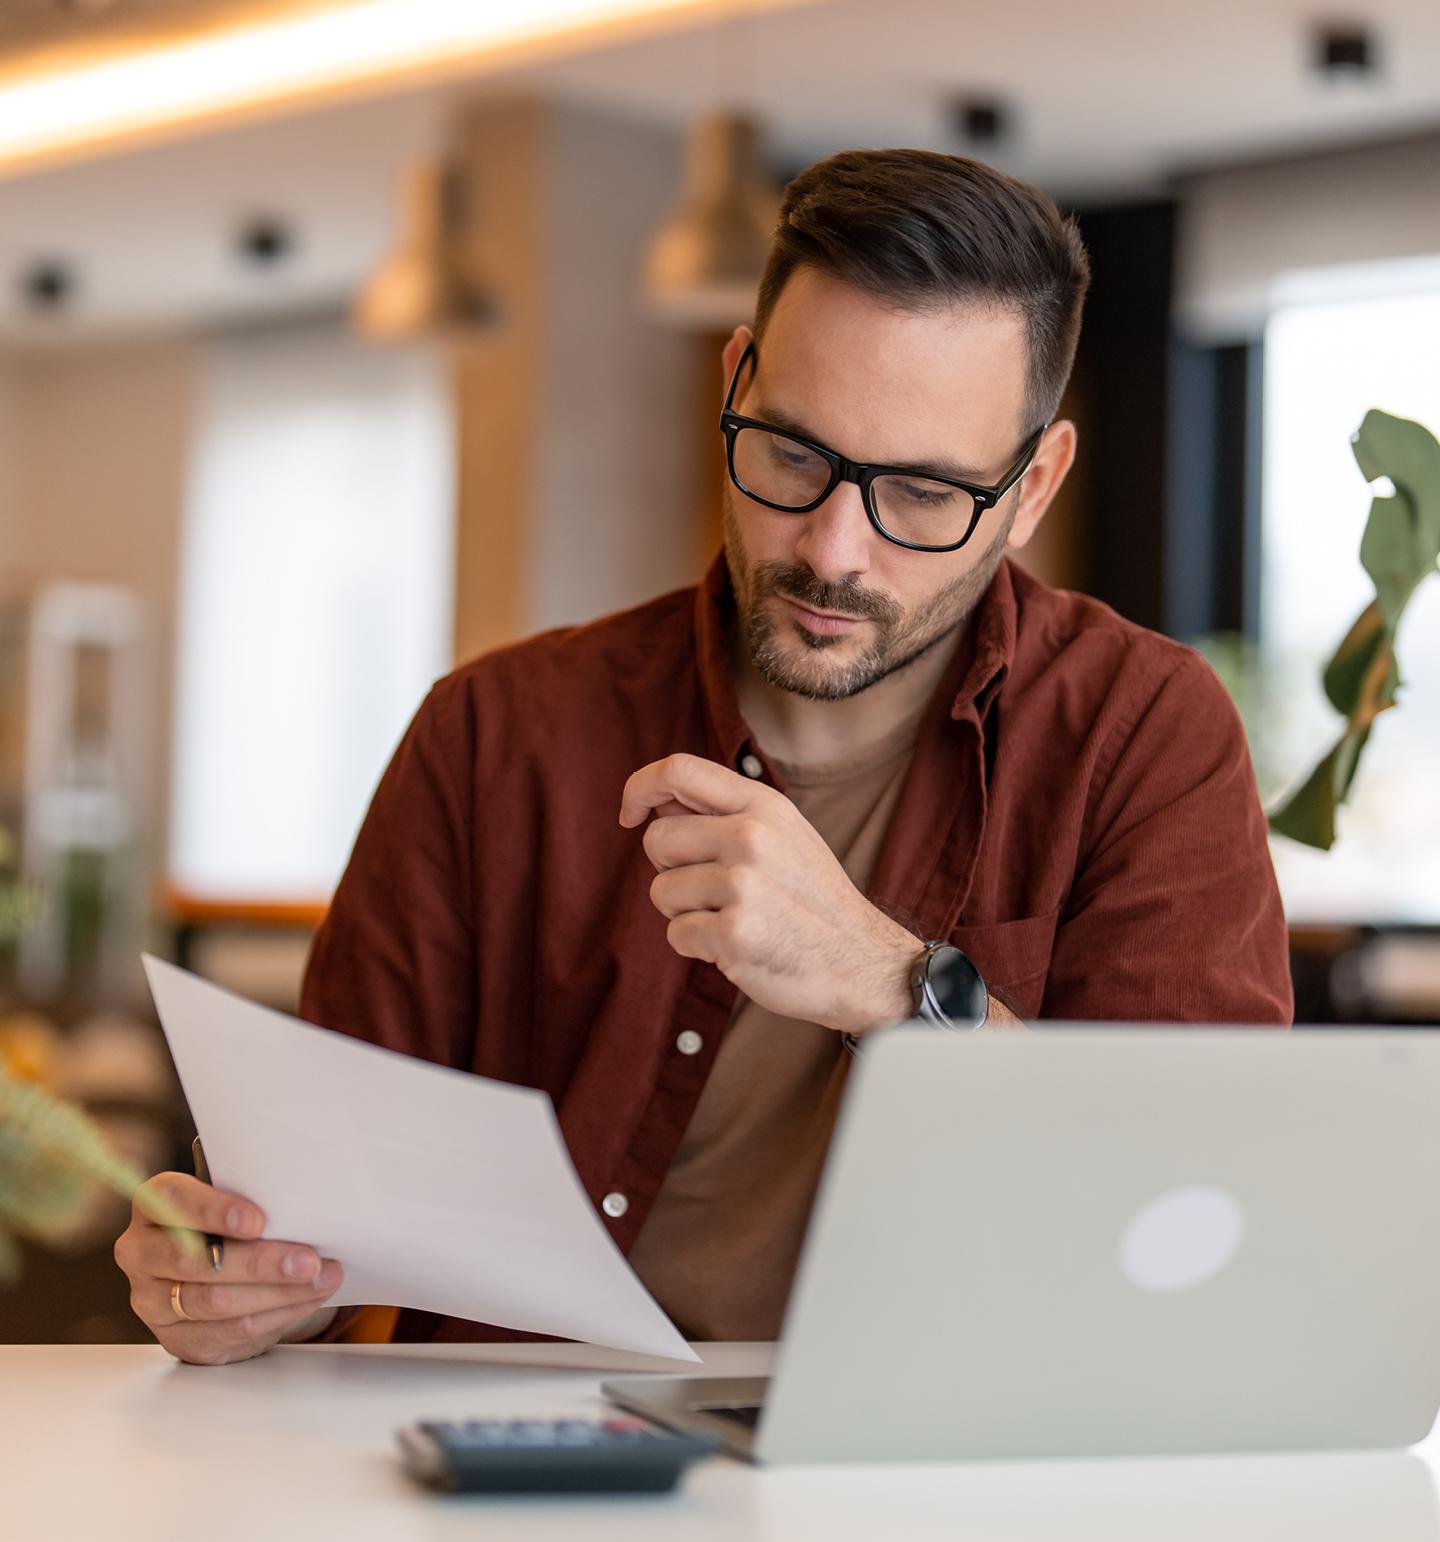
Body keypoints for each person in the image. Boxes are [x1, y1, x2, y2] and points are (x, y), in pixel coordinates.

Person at [116, 148, 1292, 1365]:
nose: (834, 550)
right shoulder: (493, 735)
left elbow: (1192, 1215)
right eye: (792, 455)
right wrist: (252, 1286)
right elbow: (321, 1215)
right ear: (736, 381)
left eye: (926, 494)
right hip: (523, 1465)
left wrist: (891, 986)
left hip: (933, 1455)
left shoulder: (1143, 734)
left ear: (1033, 485)